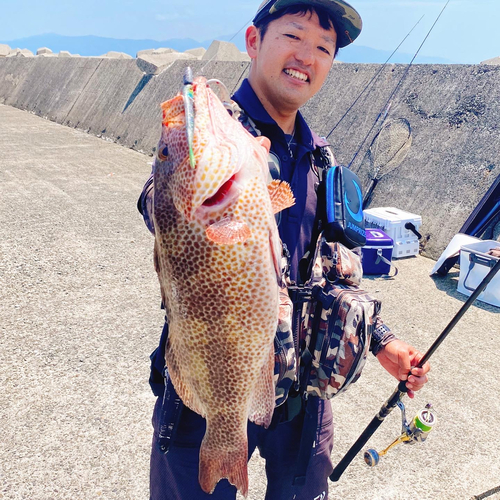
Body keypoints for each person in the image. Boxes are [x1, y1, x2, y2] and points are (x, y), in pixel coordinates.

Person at [138, 1, 431, 498]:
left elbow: (333, 268)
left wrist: (381, 341)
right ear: (254, 42)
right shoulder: (218, 137)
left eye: (323, 48)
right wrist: (183, 152)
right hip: (214, 381)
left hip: (302, 396)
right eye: (293, 36)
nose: (306, 56)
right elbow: (158, 202)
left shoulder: (321, 161)